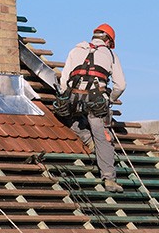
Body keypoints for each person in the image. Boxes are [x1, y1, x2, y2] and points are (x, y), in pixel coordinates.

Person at [57, 23, 126, 193]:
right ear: (108, 40)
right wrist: (109, 99)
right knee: (102, 137)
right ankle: (109, 179)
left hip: (73, 97)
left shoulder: (75, 50)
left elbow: (64, 81)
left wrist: (69, 97)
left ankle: (86, 138)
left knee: (66, 116)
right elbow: (121, 85)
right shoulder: (110, 54)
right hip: (96, 100)